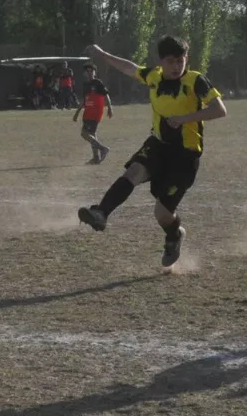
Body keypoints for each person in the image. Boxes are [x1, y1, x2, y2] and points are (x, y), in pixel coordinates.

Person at [77, 35, 226, 271]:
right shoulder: (154, 76)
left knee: (162, 214)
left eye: (181, 60)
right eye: (171, 61)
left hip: (185, 155)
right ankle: (101, 213)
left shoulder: (196, 81)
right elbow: (129, 67)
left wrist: (185, 119)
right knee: (133, 172)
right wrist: (103, 55)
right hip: (158, 144)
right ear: (161, 61)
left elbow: (219, 110)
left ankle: (174, 235)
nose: (177, 66)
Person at [72, 63, 112, 164]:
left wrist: (110, 108)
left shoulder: (97, 82)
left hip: (95, 112)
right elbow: (84, 101)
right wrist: (77, 112)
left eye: (91, 71)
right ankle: (96, 158)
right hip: (88, 111)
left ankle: (103, 149)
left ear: (95, 72)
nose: (89, 73)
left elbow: (106, 95)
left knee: (84, 133)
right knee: (92, 134)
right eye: (87, 71)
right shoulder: (86, 85)